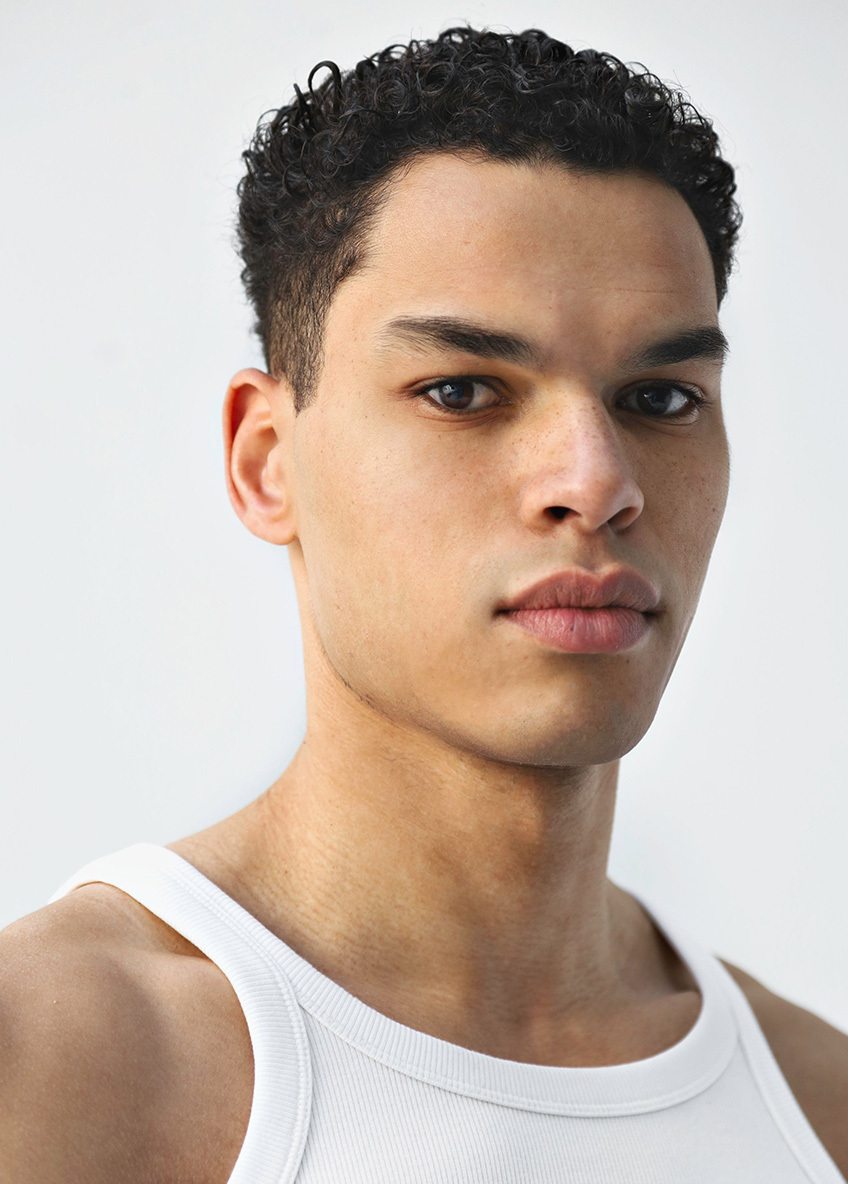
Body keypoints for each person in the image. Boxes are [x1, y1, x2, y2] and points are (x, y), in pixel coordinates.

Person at [1, 24, 846, 1184]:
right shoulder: (55, 1060)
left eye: (657, 396)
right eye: (460, 390)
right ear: (264, 460)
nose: (595, 482)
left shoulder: (817, 1104)